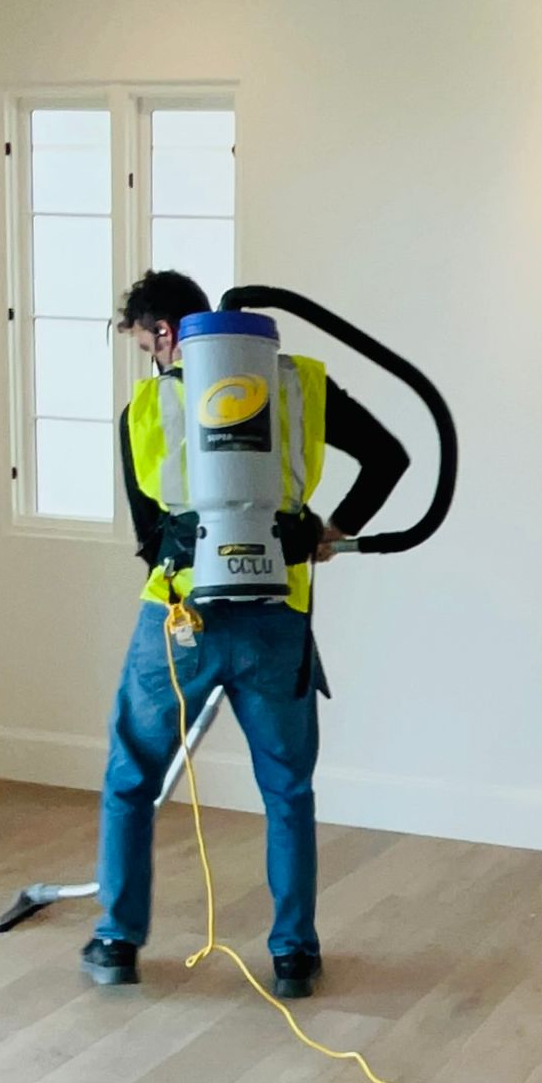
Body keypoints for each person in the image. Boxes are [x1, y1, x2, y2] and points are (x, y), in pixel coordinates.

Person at [83, 270, 405, 997]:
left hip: (180, 620)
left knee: (131, 776)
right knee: (287, 789)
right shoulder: (300, 386)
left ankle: (116, 942)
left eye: (145, 345)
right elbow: (391, 456)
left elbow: (148, 536)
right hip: (276, 621)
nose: (150, 361)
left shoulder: (146, 407)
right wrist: (332, 532)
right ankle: (293, 955)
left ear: (166, 333)